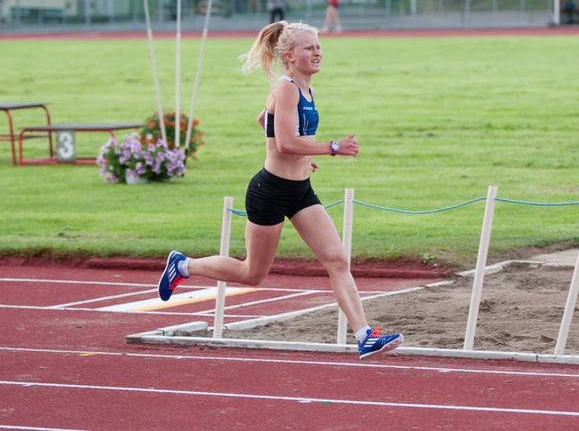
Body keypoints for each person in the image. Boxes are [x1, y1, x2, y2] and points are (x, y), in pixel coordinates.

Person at [158, 21, 403, 359]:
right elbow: (286, 143)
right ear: (289, 56)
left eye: (318, 46)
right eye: (309, 48)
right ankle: (184, 266)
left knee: (337, 259)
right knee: (252, 274)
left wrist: (305, 157)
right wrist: (332, 147)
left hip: (300, 191)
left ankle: (365, 336)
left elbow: (265, 120)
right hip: (270, 191)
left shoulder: (306, 89)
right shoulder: (286, 88)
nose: (317, 52)